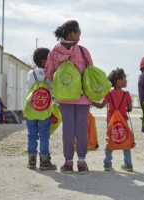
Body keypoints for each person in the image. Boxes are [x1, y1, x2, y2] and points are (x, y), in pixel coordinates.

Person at [45, 20, 93, 174]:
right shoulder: (83, 51)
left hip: (64, 96)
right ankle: (81, 163)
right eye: (79, 34)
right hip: (82, 96)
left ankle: (67, 163)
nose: (79, 37)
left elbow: (49, 73)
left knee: (68, 129)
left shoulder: (54, 52)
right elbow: (90, 72)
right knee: (81, 129)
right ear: (72, 34)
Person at [92, 68, 133, 172]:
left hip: (111, 121)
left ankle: (107, 163)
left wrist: (90, 101)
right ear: (119, 81)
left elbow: (101, 106)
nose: (126, 80)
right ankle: (128, 164)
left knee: (110, 140)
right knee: (125, 140)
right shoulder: (126, 94)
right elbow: (130, 108)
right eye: (125, 78)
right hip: (123, 121)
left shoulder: (109, 93)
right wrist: (125, 108)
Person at [26, 47, 57, 170]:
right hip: (44, 110)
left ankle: (31, 161)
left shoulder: (30, 73)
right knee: (44, 135)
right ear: (45, 61)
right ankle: (44, 161)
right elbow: (52, 91)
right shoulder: (49, 76)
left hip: (30, 109)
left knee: (32, 135)